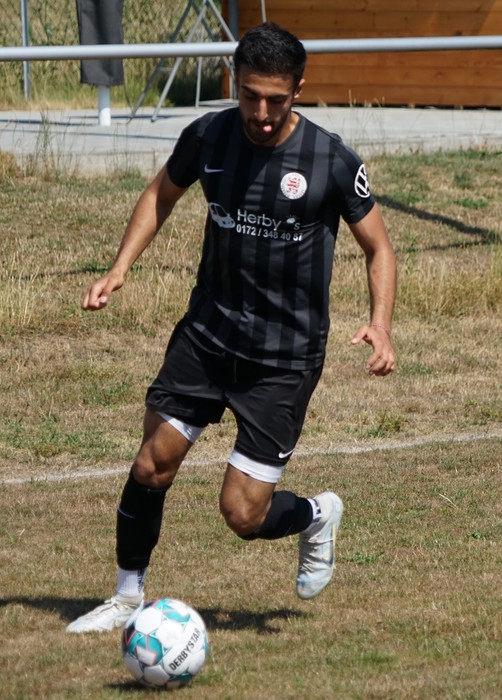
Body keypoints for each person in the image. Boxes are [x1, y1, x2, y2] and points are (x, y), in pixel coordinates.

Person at [67, 22, 396, 634]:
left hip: (283, 359)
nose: (262, 114)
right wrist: (119, 268)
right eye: (250, 96)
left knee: (242, 514)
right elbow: (160, 195)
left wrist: (380, 324)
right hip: (207, 336)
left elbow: (378, 247)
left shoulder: (330, 159)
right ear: (233, 82)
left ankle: (317, 515)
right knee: (152, 465)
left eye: (276, 100)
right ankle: (126, 598)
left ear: (299, 90)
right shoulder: (209, 135)